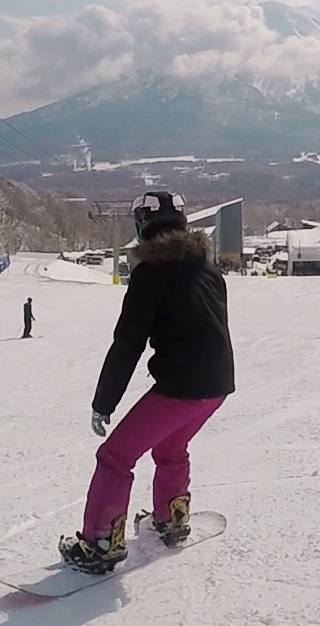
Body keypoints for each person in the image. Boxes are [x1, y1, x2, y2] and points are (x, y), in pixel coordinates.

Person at [57, 189, 234, 574]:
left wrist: (104, 402)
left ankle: (101, 542)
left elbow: (128, 344)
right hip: (217, 385)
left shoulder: (151, 274)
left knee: (114, 457)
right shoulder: (208, 269)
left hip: (181, 388)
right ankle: (171, 519)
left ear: (142, 226)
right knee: (171, 447)